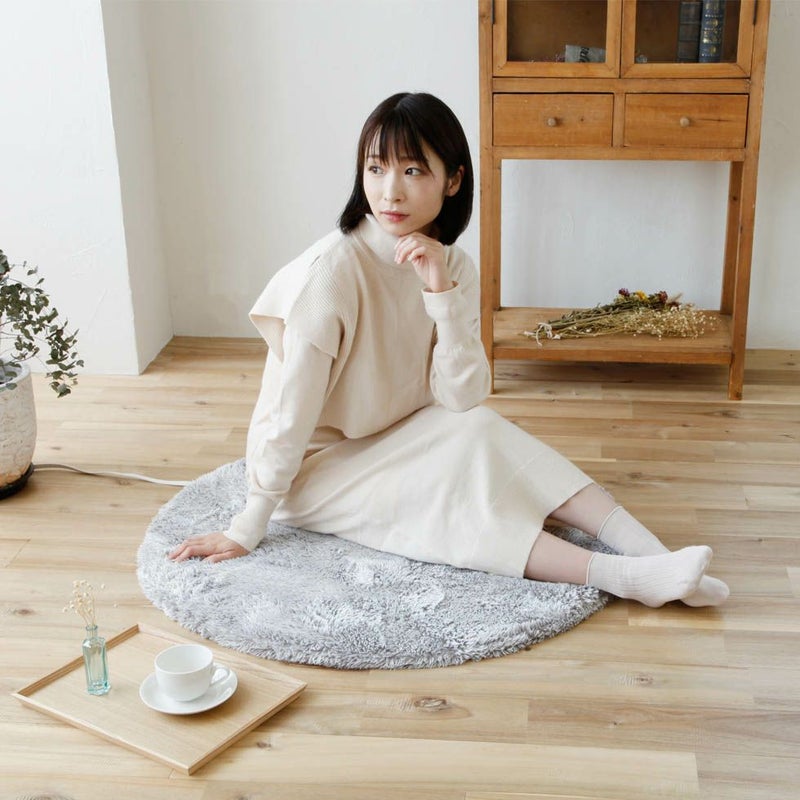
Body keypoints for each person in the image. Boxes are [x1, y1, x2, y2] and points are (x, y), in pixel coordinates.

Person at [169, 92, 728, 608]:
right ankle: (625, 578)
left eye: (413, 170)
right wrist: (251, 521)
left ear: (453, 180)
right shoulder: (331, 275)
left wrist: (440, 291)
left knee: (482, 430)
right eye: (376, 168)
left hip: (396, 431)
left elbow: (463, 397)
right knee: (452, 499)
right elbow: (289, 417)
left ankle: (657, 556)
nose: (390, 191)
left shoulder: (452, 264)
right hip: (314, 473)